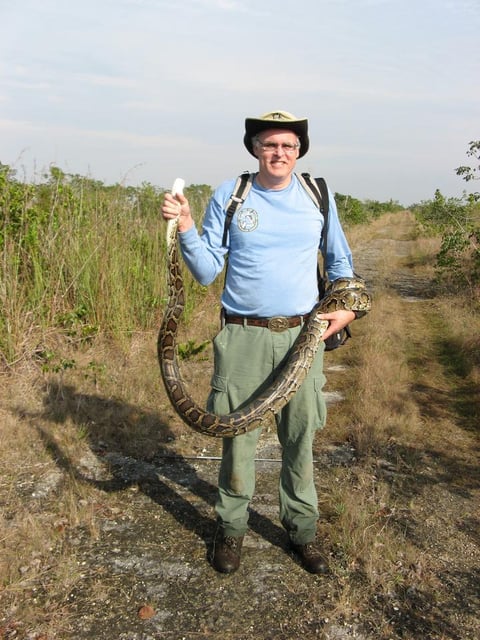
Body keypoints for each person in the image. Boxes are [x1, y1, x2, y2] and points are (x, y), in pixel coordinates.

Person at [161, 110, 356, 575]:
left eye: (288, 146)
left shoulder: (317, 195)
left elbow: (341, 263)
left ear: (299, 152)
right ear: (254, 149)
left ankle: (302, 531)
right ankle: (230, 529)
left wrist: (348, 309)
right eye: (269, 144)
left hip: (302, 333)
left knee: (299, 437)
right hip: (243, 335)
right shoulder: (233, 194)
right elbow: (207, 270)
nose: (279, 153)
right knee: (237, 438)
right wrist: (186, 225)